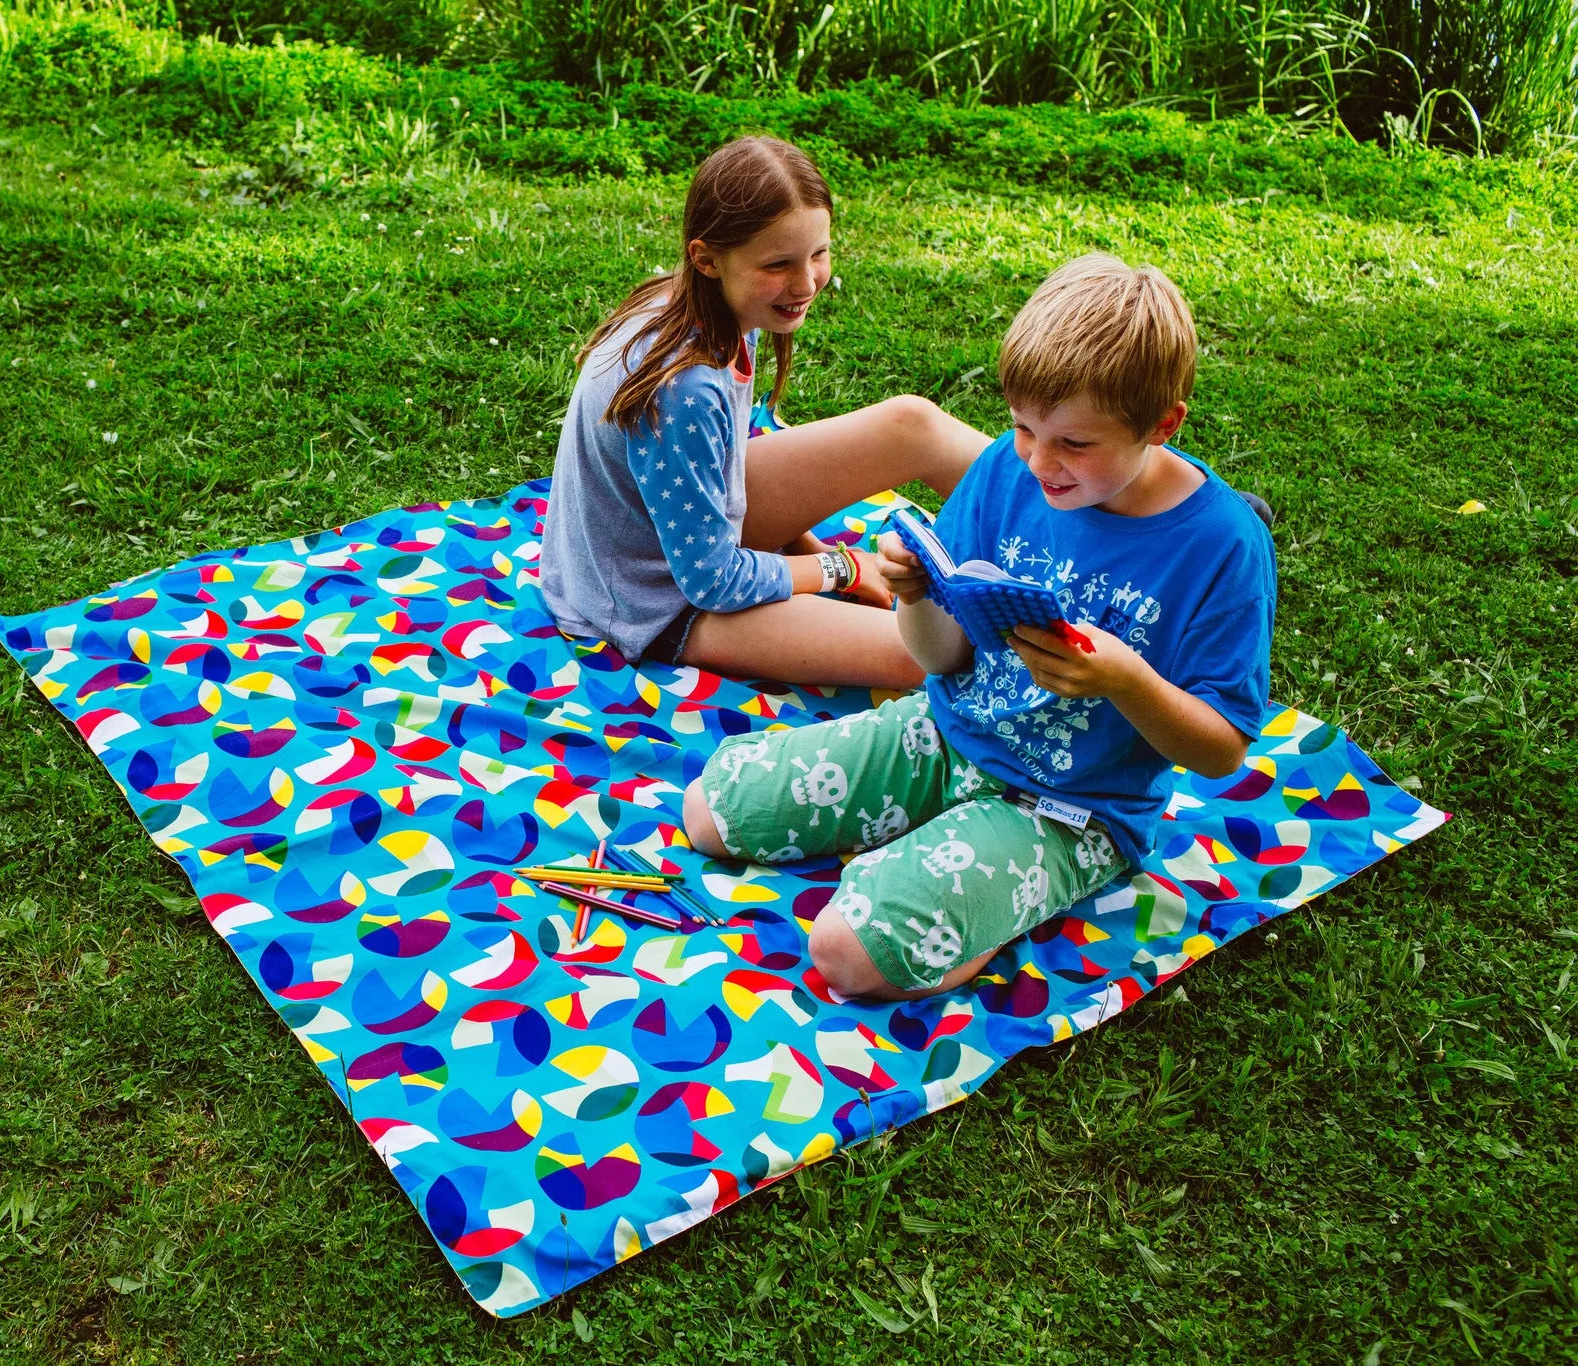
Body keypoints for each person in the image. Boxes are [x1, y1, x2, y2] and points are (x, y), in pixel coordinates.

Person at [683, 253, 1277, 1001]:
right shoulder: (1007, 468)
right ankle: (934, 857)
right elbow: (937, 658)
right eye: (1024, 428)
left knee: (846, 954)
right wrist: (915, 595)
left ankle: (979, 909)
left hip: (1070, 809)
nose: (1039, 462)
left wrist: (1123, 678)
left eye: (1074, 444)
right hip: (945, 734)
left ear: (1162, 425)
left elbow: (1222, 749)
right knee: (712, 812)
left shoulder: (1221, 547)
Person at [536, 135, 990, 689]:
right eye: (778, 264)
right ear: (706, 258)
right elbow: (712, 582)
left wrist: (811, 550)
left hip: (696, 543)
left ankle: (1080, 526)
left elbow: (721, 470)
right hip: (654, 598)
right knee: (929, 652)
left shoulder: (707, 303)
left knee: (913, 425)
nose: (806, 284)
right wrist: (841, 569)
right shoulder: (684, 387)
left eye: (818, 254)